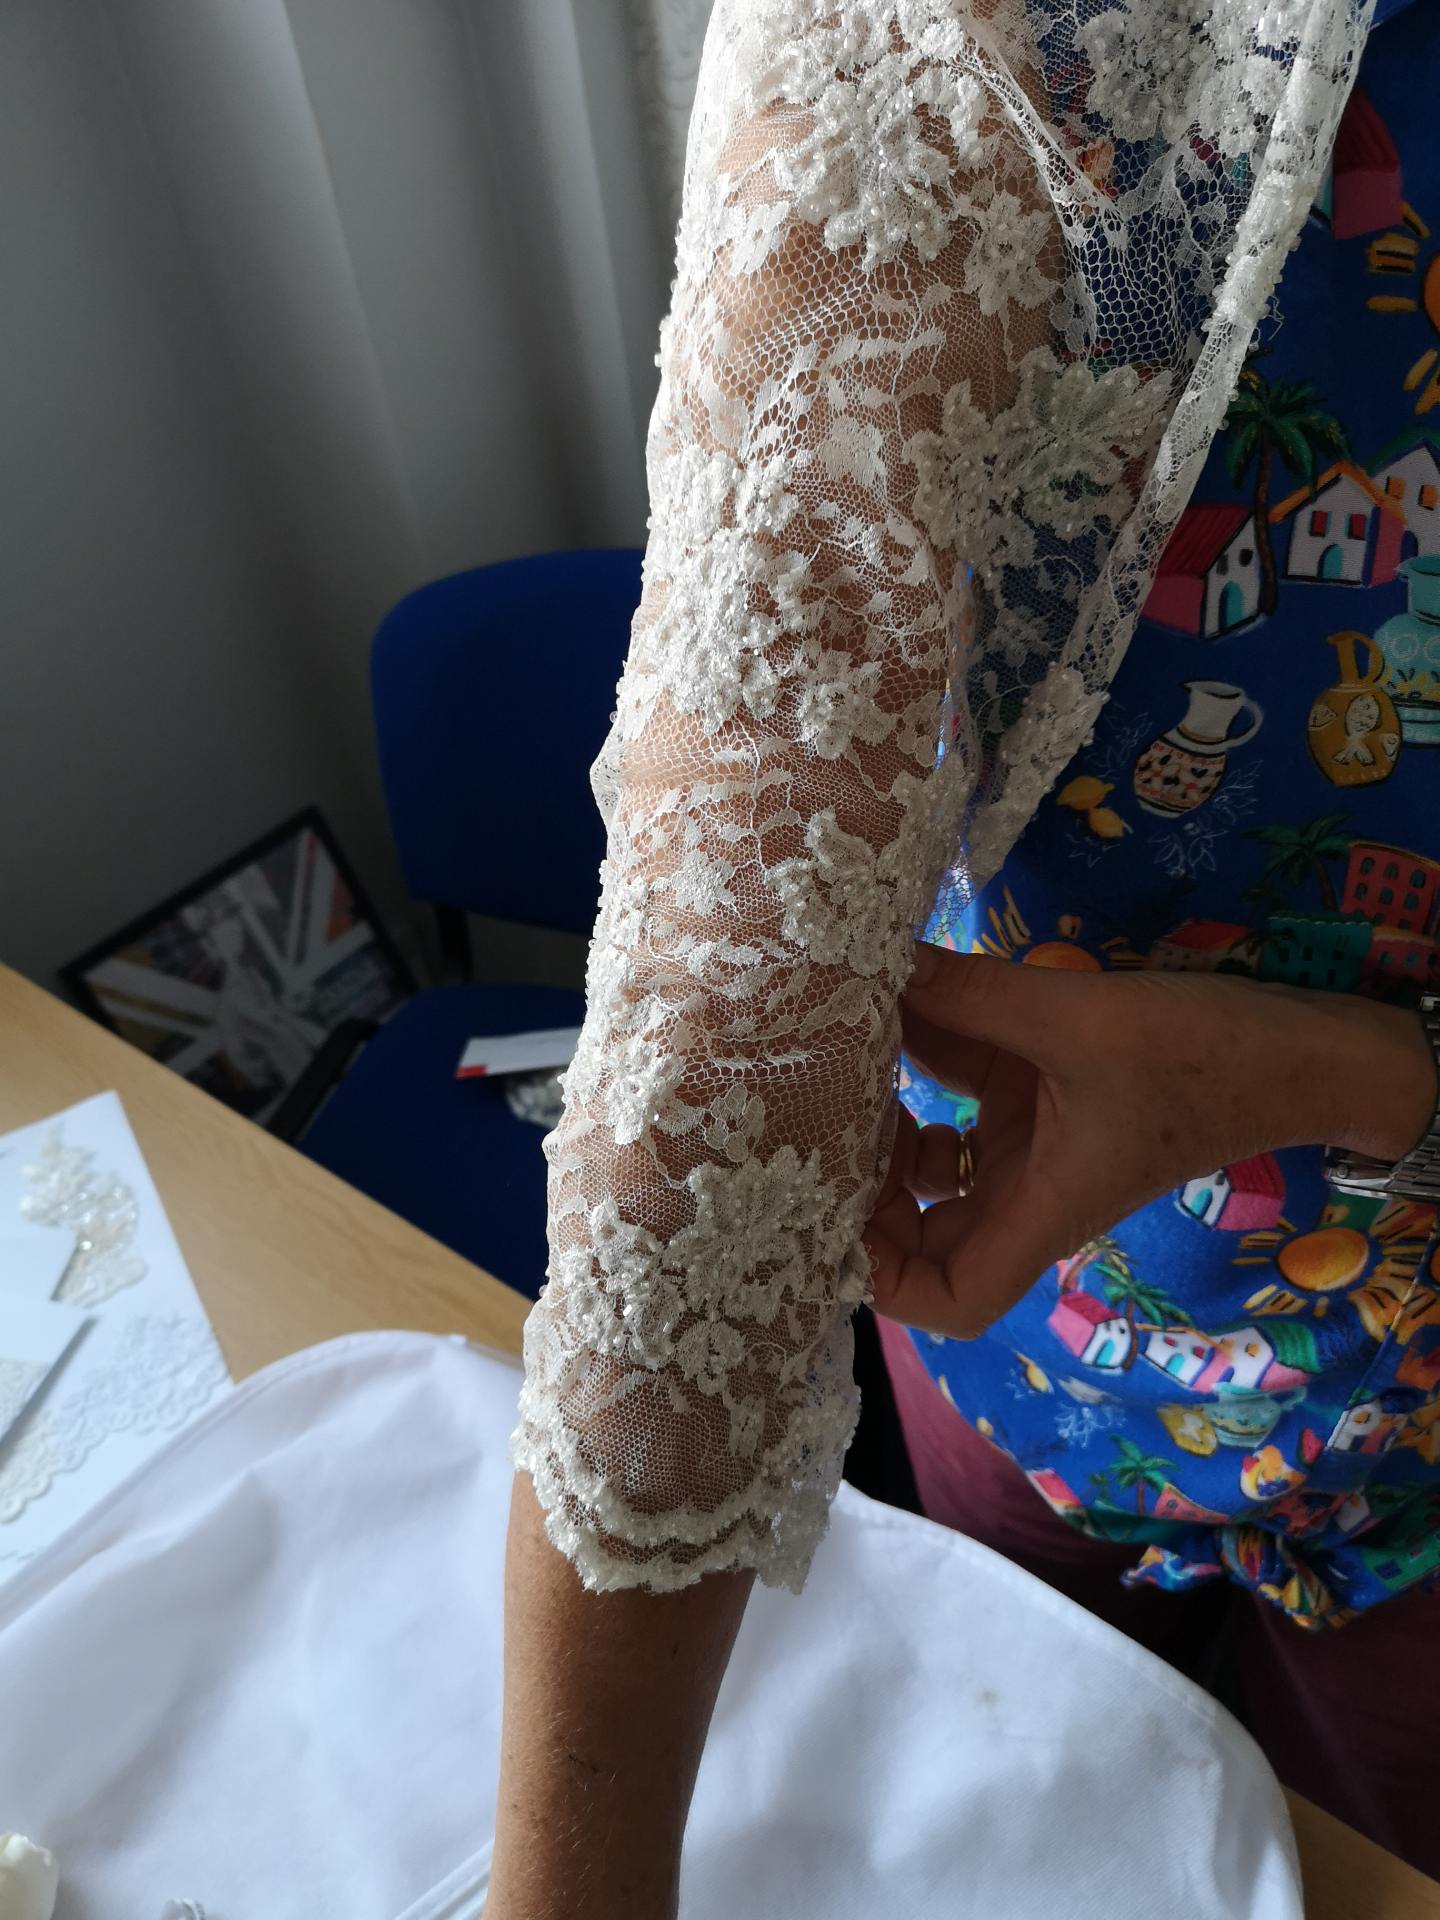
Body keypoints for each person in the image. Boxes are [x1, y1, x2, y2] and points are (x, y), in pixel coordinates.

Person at [484, 5, 1438, 1915]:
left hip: (1407, 1442)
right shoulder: (968, 47)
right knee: (996, 1827)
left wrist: (1344, 1076)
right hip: (1014, 1310)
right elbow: (715, 1040)